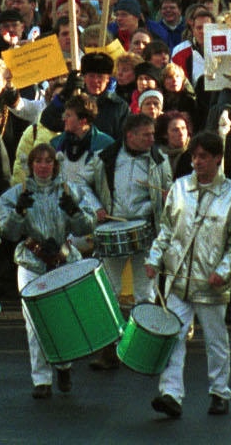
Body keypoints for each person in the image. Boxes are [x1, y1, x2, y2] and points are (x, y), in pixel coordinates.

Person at [145, 130, 231, 419]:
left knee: (216, 340)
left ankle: (219, 393)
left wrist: (224, 271)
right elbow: (166, 229)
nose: (197, 161)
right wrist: (154, 259)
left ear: (218, 158)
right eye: (194, 156)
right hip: (178, 280)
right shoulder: (179, 188)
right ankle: (170, 394)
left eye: (203, 156)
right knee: (174, 337)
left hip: (211, 283)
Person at [0, 143, 100, 398]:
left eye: (48, 161)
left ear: (56, 165)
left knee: (64, 317)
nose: (43, 166)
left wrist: (73, 211)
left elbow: (88, 225)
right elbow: (3, 230)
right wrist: (18, 213)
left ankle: (63, 364)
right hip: (31, 261)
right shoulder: (13, 195)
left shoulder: (71, 191)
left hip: (63, 259)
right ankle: (41, 379)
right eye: (38, 161)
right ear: (30, 165)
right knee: (34, 322)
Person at [85, 112, 171, 369]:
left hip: (145, 229)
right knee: (109, 290)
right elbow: (82, 185)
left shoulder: (160, 160)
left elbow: (170, 193)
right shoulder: (106, 157)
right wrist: (95, 206)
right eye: (146, 135)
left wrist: (167, 198)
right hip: (113, 225)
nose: (151, 139)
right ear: (130, 135)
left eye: (153, 134)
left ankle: (141, 348)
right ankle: (109, 348)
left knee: (144, 292)